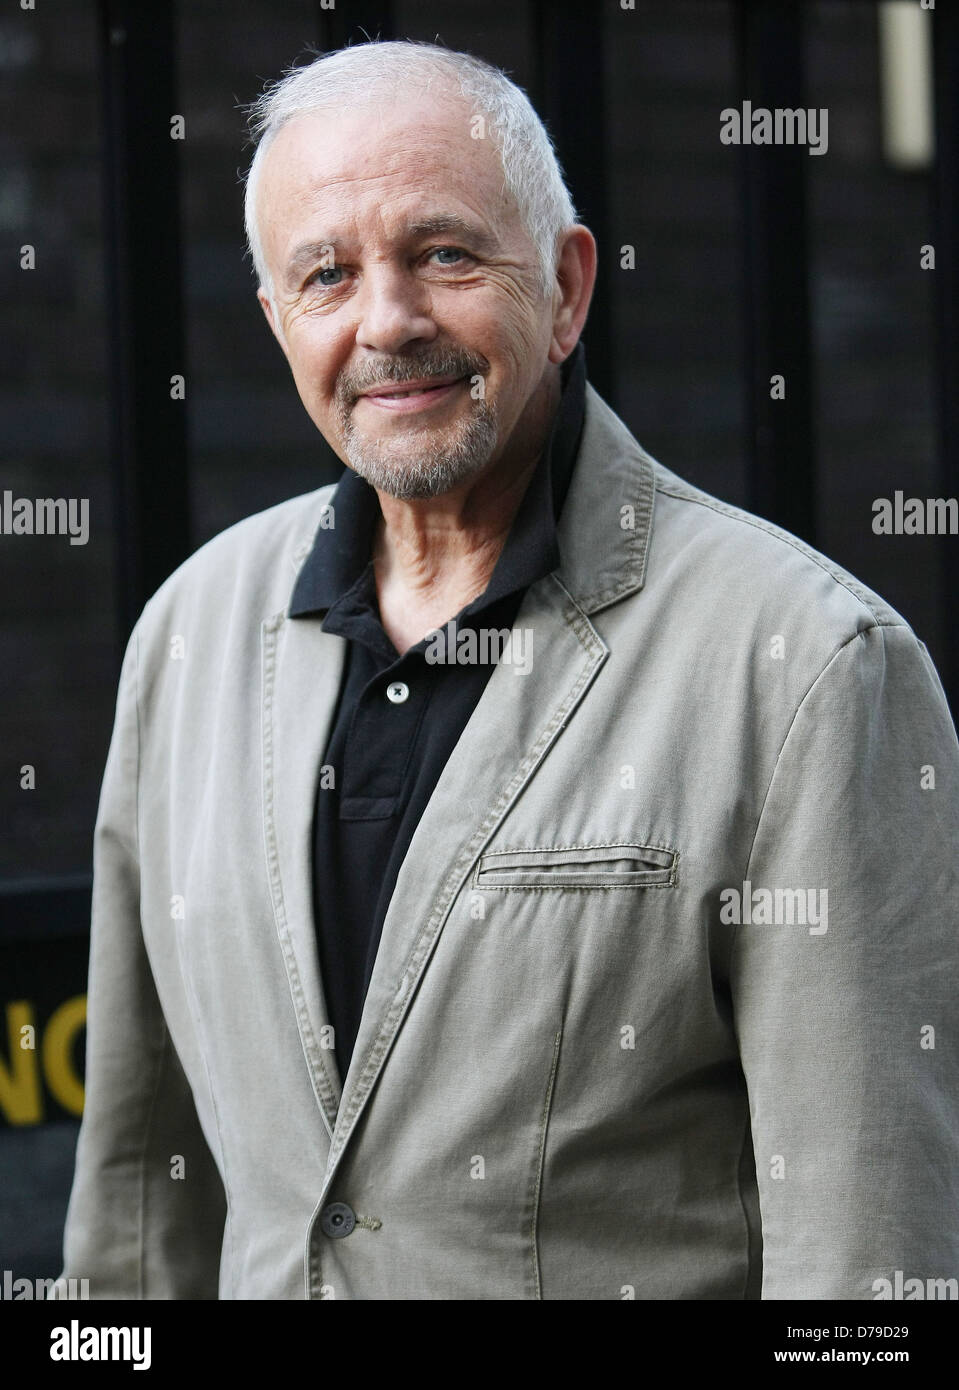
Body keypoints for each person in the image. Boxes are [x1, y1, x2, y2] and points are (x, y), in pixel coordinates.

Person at [60, 39, 958, 1300]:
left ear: (568, 284)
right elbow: (135, 1207)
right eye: (326, 274)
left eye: (442, 253)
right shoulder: (190, 632)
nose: (388, 321)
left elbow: (865, 1262)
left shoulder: (807, 664)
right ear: (277, 322)